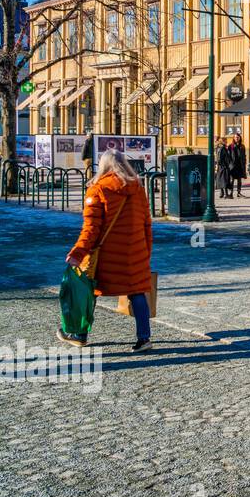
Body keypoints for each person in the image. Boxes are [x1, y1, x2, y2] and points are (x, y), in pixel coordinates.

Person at [61, 149, 154, 352]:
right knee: (137, 292)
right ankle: (144, 338)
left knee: (89, 291)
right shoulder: (138, 188)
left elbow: (91, 229)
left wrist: (78, 252)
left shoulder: (98, 189)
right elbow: (147, 224)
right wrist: (146, 252)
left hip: (106, 257)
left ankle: (79, 334)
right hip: (135, 254)